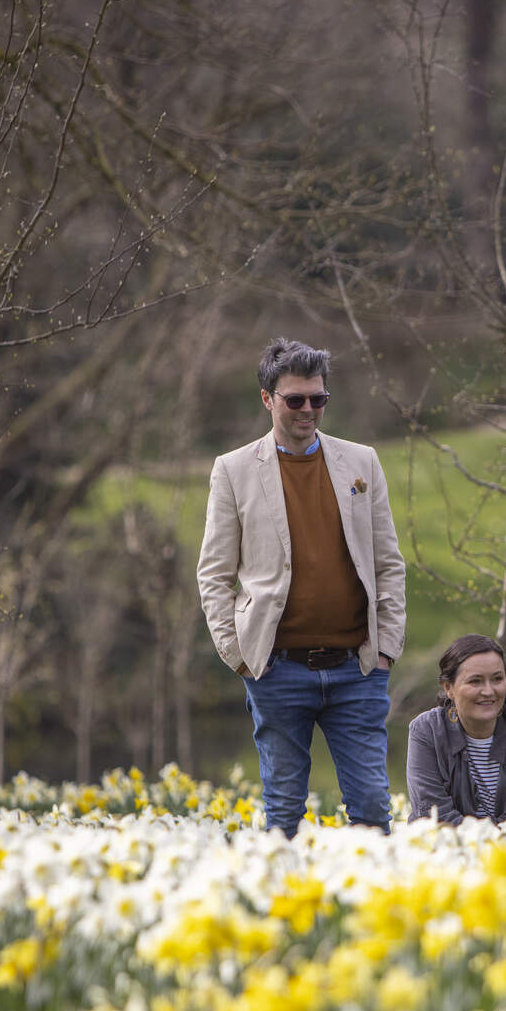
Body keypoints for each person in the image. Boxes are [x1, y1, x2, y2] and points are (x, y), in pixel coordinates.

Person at [196, 337, 406, 838]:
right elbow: (214, 574)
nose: (309, 409)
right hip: (276, 669)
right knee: (284, 814)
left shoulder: (362, 462)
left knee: (374, 813)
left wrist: (386, 652)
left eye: (319, 399)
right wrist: (240, 655)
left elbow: (387, 562)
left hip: (358, 669)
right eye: (296, 400)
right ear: (268, 399)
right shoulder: (234, 470)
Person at [406, 634, 506, 823]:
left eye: (497, 679)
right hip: (443, 847)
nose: (488, 691)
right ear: (448, 688)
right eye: (475, 681)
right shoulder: (426, 731)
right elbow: (432, 814)